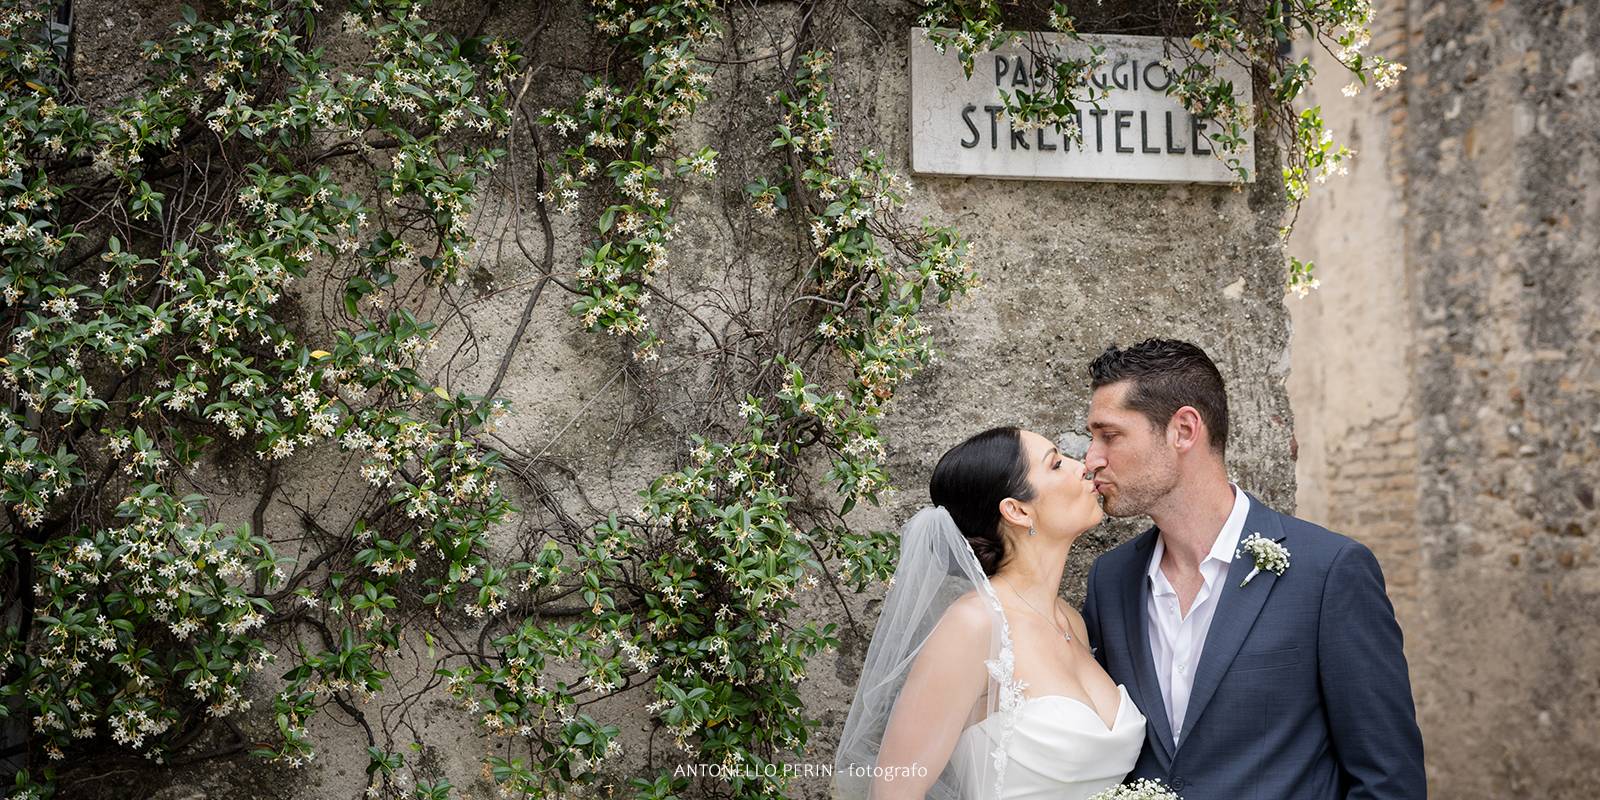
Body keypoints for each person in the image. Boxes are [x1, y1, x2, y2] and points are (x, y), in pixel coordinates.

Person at [1080, 338, 1426, 799]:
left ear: (1183, 430)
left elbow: (1388, 781)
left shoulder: (1329, 573)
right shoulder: (1111, 579)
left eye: (1110, 435)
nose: (1091, 459)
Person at [835, 426, 1145, 799]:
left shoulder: (1072, 622)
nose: (1083, 466)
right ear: (1017, 510)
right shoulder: (974, 625)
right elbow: (893, 793)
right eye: (1057, 463)